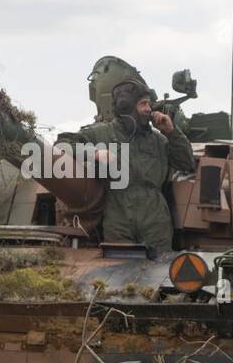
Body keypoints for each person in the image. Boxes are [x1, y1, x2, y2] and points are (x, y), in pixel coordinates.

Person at [78, 79, 195, 258]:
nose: (149, 109)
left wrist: (172, 132)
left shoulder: (159, 140)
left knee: (160, 272)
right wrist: (92, 153)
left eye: (148, 103)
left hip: (155, 219)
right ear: (127, 106)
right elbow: (63, 144)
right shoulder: (101, 134)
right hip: (118, 216)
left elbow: (186, 163)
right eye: (143, 103)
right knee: (116, 273)